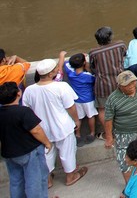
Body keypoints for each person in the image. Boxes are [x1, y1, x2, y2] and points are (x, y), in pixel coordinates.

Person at [22, 54, 88, 188]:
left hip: (42, 128)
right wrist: (76, 121)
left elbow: (26, 110)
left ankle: (48, 180)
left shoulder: (29, 90)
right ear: (52, 72)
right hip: (62, 126)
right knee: (67, 152)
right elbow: (71, 107)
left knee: (47, 153)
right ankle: (70, 176)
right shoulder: (61, 87)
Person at [0, 81, 52, 198]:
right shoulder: (23, 111)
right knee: (35, 181)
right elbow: (36, 130)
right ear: (18, 94)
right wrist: (47, 143)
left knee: (16, 182)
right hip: (29, 152)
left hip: (9, 153)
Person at [104, 70, 137, 183]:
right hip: (124, 134)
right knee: (125, 161)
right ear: (119, 86)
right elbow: (108, 120)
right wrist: (109, 137)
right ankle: (130, 186)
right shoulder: (113, 99)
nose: (131, 86)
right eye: (127, 85)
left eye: (132, 82)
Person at [89, 26, 127, 137]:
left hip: (102, 85)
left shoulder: (93, 52)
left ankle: (109, 134)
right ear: (110, 37)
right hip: (119, 82)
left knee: (102, 109)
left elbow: (92, 67)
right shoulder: (120, 45)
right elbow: (125, 55)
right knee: (122, 105)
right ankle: (123, 130)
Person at [64, 53, 97, 146]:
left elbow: (66, 63)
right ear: (84, 63)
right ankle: (92, 133)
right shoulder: (88, 76)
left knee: (78, 118)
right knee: (91, 116)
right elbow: (94, 78)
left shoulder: (70, 73)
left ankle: (78, 135)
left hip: (77, 100)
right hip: (88, 99)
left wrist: (62, 56)